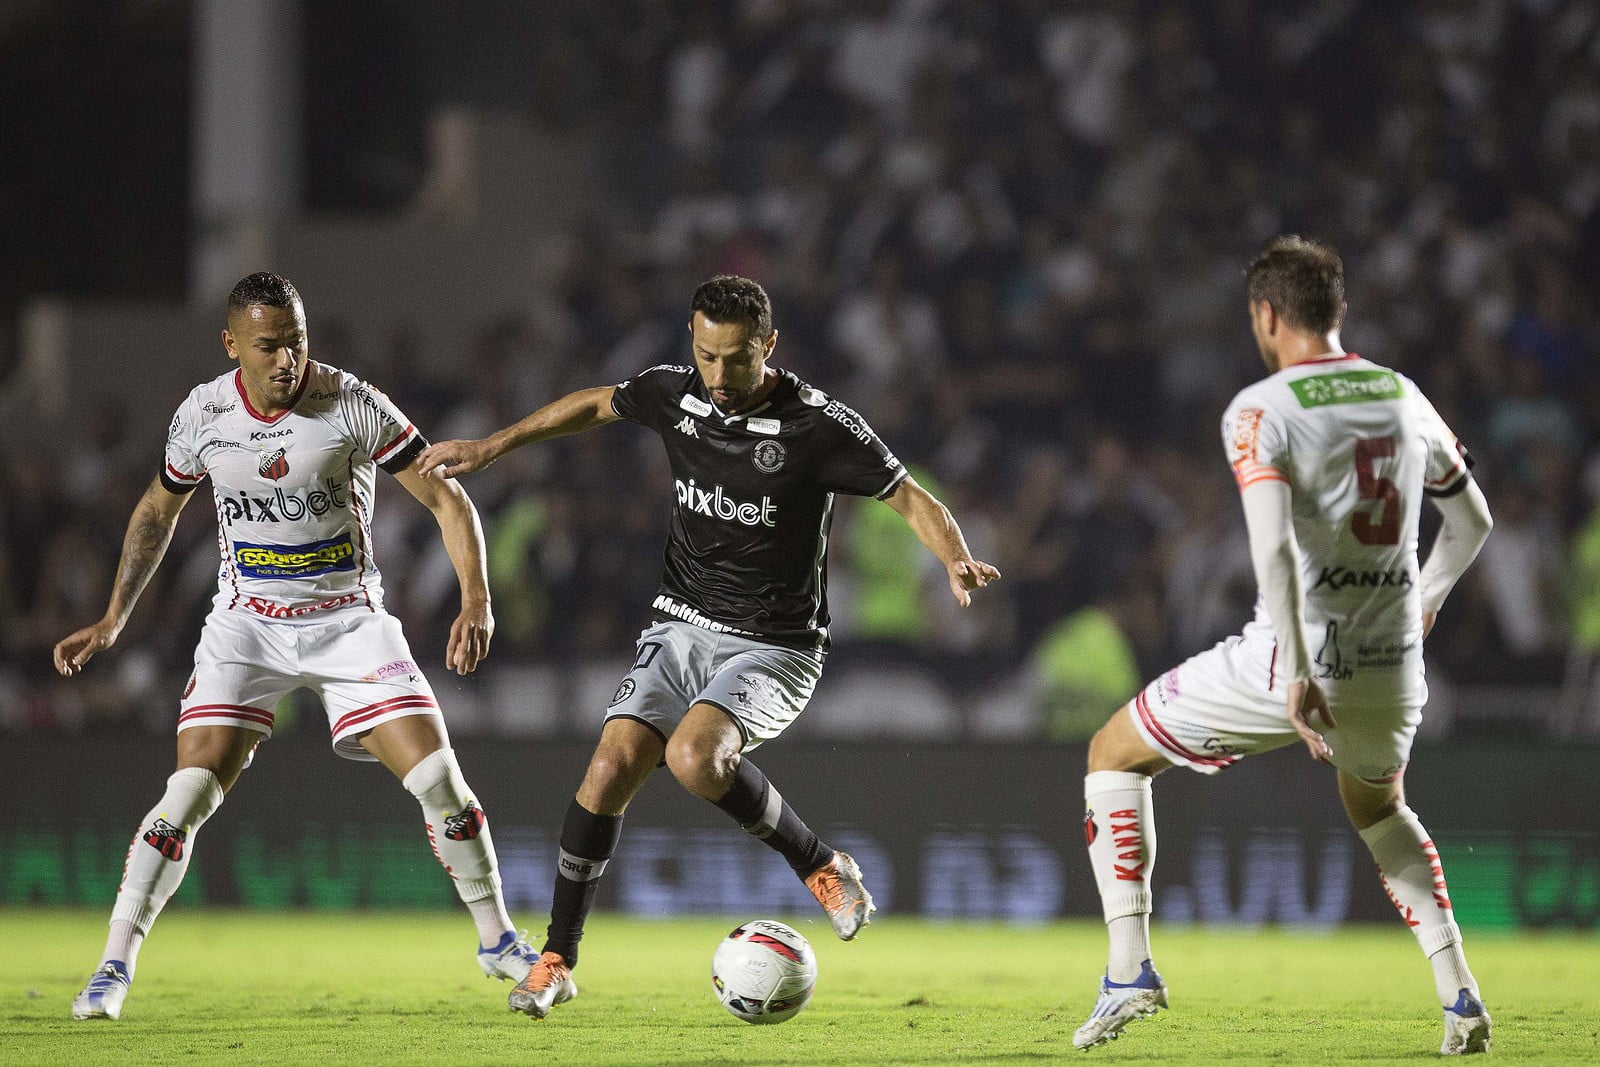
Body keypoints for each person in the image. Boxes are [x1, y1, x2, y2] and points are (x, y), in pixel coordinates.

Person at [418, 274, 1001, 1020]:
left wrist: (953, 556)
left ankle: (822, 865)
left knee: (695, 757)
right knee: (609, 766)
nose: (718, 377)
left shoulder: (819, 426)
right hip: (680, 624)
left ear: (770, 346)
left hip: (777, 644)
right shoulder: (678, 393)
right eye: (705, 356)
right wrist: (495, 446)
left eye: (735, 359)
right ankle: (557, 960)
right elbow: (598, 402)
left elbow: (910, 495)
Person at [57, 273, 537, 1020]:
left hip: (350, 620)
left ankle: (500, 940)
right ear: (232, 346)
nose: (288, 358)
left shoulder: (352, 403)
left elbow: (446, 494)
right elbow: (159, 508)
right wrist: (114, 617)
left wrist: (476, 596)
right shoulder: (204, 413)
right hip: (247, 625)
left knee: (444, 783)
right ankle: (113, 965)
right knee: (183, 797)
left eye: (298, 339)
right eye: (269, 345)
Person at [1070, 237, 1496, 1056]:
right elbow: (1472, 518)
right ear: (1338, 310)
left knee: (1112, 755)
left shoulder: (1261, 408)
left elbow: (1270, 552)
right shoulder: (1400, 393)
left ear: (1266, 315)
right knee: (1379, 807)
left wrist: (1298, 673)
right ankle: (1461, 996)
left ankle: (1130, 972)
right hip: (1397, 664)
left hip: (1290, 657)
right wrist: (1428, 597)